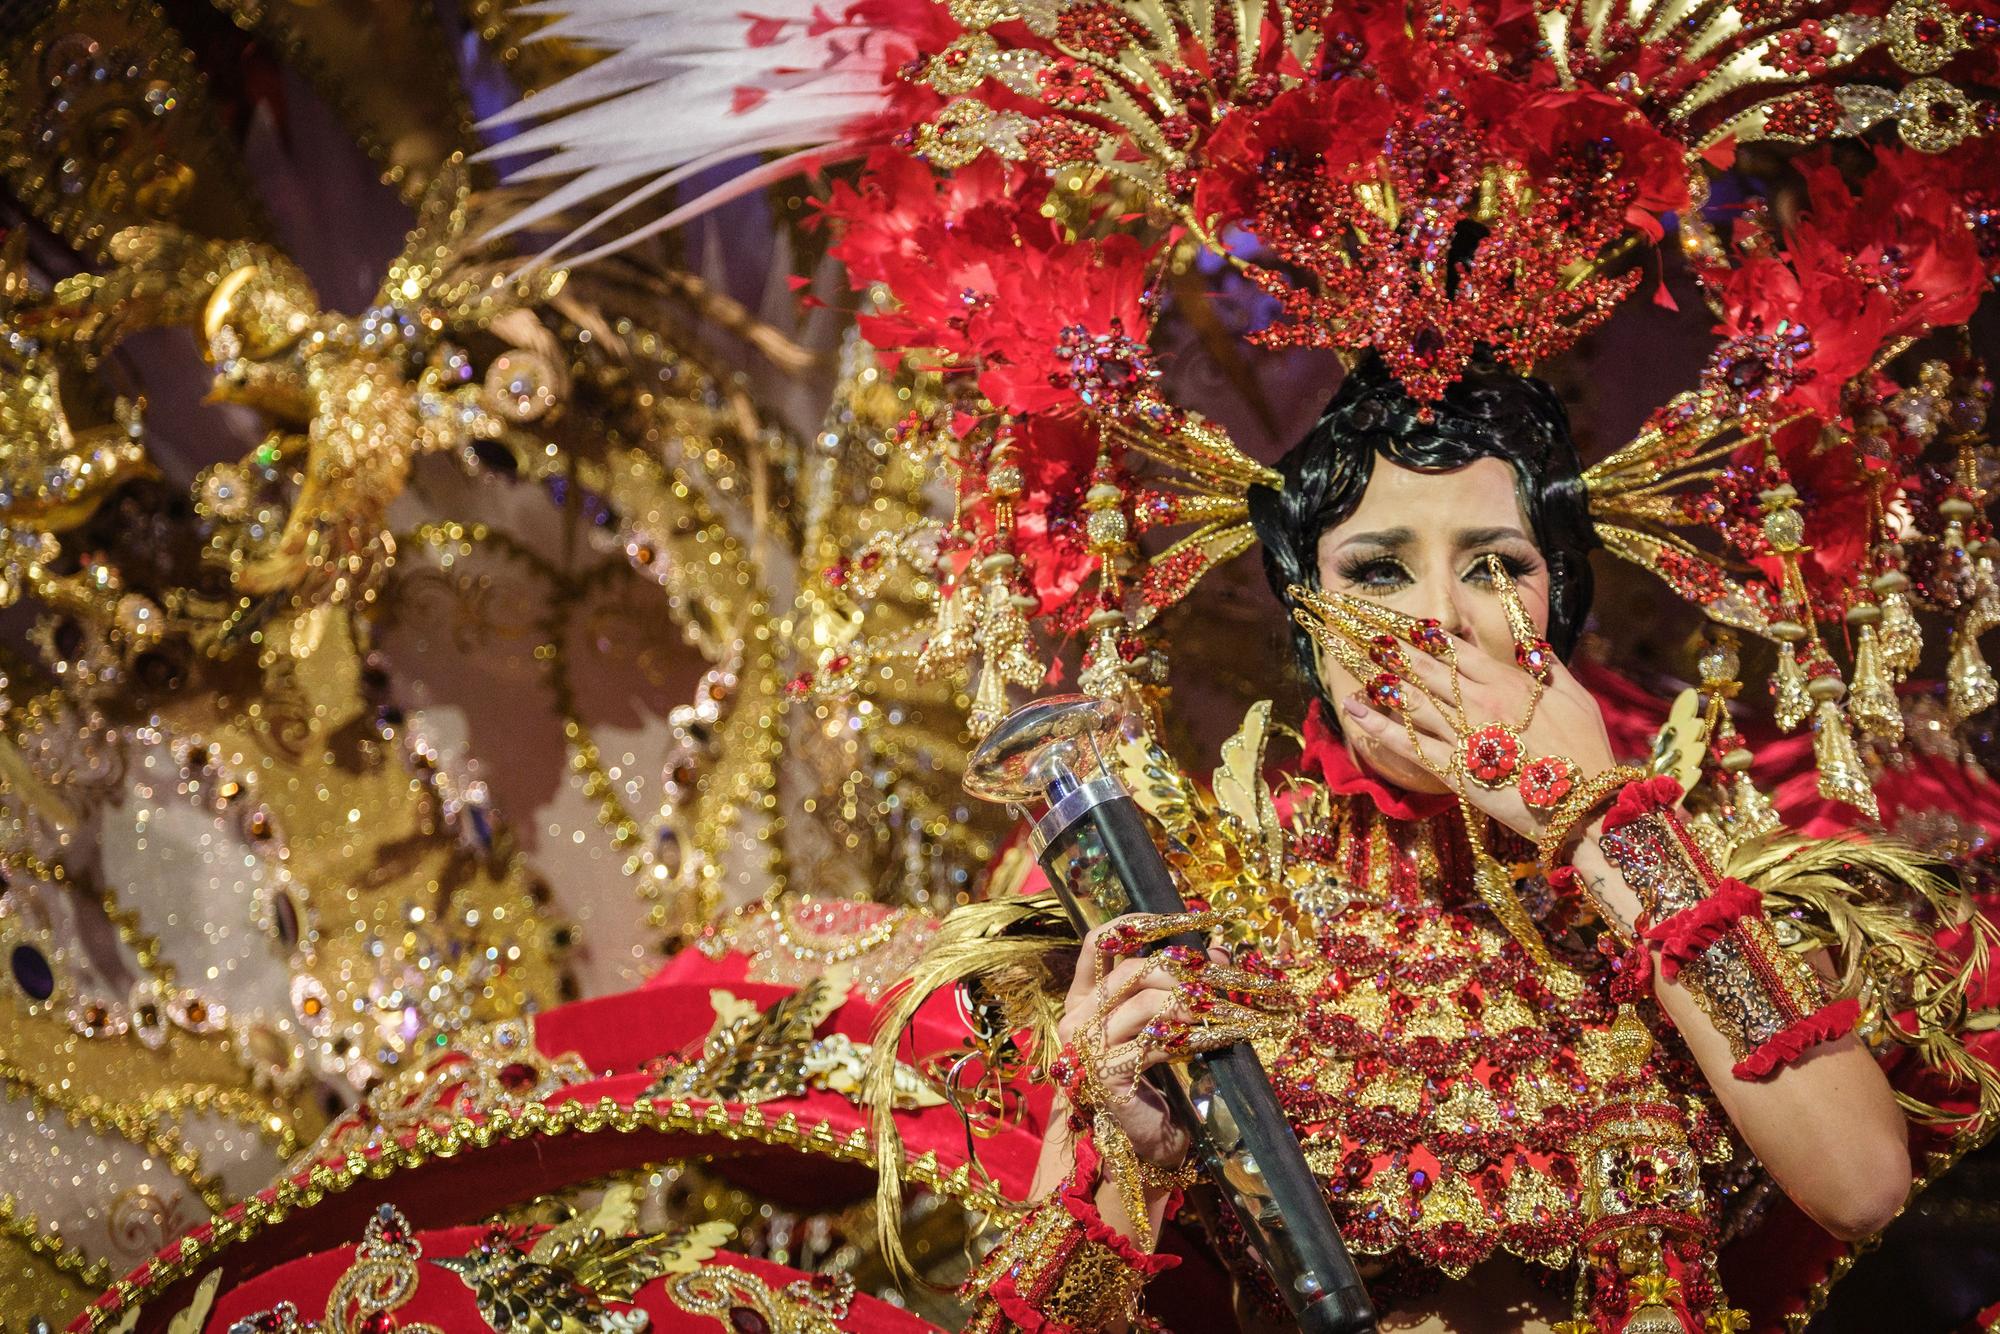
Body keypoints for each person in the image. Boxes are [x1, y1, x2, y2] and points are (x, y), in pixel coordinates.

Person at [945, 356, 1958, 1334]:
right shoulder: (1207, 924)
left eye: (1494, 564)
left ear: (1555, 601)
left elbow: (1860, 1186)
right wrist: (1135, 1162)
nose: (1434, 619)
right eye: (1376, 569)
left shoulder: (1677, 884)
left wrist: (1601, 821)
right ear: (1303, 607)